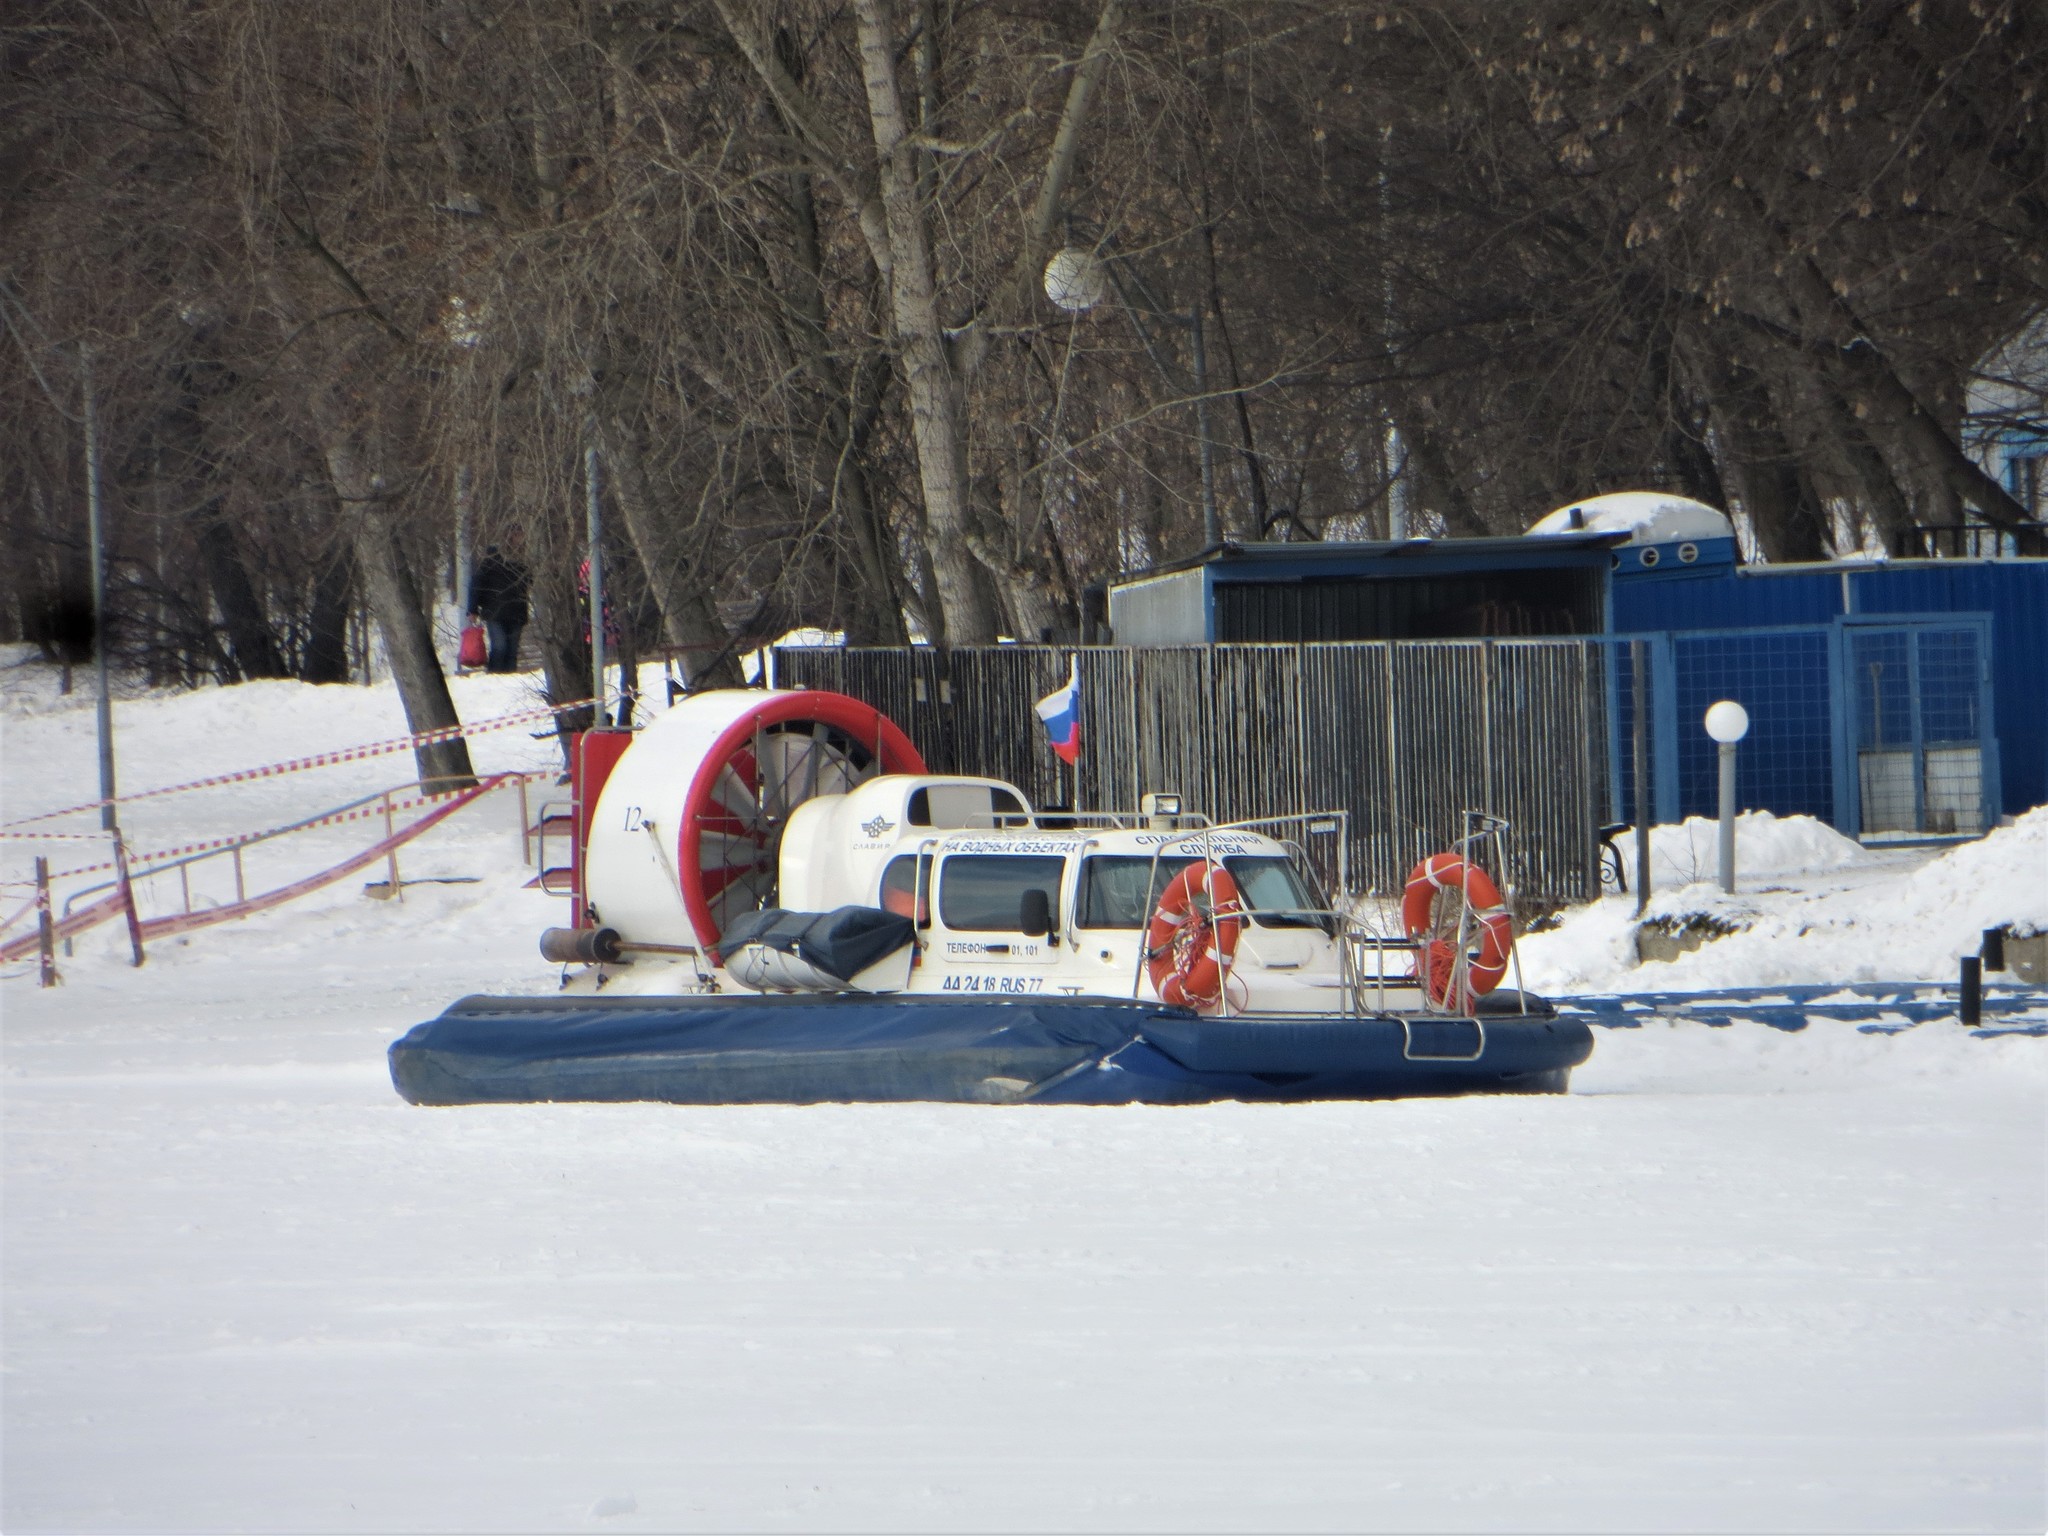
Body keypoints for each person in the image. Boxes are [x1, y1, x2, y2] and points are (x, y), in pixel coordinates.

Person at [467, 543, 530, 673]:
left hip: (512, 612)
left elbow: (475, 587)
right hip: (497, 612)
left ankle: (507, 675)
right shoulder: (490, 564)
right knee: (501, 647)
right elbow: (476, 586)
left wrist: (472, 609)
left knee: (508, 649)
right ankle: (496, 674)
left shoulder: (520, 563)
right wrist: (472, 609)